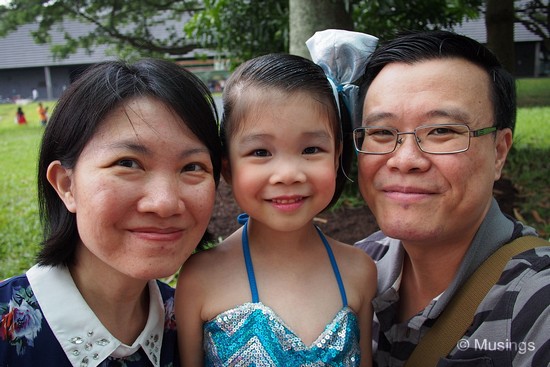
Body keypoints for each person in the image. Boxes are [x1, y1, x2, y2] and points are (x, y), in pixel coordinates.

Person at [0, 58, 223, 366]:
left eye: (192, 167)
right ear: (66, 185)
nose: (165, 203)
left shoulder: (199, 326)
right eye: (128, 163)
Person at [353, 30, 550, 366]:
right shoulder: (356, 267)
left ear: (499, 152)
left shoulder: (536, 308)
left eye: (442, 131)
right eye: (383, 132)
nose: (404, 159)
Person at [175, 42, 377, 366]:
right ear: (227, 166)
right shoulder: (200, 278)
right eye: (260, 152)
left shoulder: (360, 271)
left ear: (337, 155)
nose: (287, 174)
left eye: (311, 149)